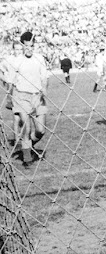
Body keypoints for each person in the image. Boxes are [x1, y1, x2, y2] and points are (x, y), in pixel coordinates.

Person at [5, 31, 49, 169]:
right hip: (21, 96)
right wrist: (9, 98)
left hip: (37, 97)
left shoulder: (39, 58)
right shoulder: (16, 61)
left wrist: (44, 90)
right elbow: (10, 82)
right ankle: (27, 159)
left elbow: (44, 77)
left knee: (41, 131)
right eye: (27, 46)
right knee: (26, 126)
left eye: (32, 46)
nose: (29, 49)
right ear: (22, 46)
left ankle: (27, 146)